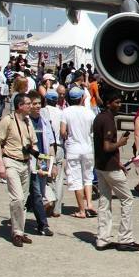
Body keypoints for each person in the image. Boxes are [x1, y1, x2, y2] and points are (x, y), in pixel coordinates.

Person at [93, 89, 139, 251]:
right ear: (108, 103)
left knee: (104, 201)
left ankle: (102, 238)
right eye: (117, 102)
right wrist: (120, 143)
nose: (119, 105)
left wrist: (118, 161)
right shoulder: (108, 121)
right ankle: (125, 238)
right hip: (109, 169)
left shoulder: (99, 118)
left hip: (101, 166)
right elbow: (107, 146)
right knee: (127, 199)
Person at [0, 93, 39, 246]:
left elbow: (33, 143)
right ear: (20, 106)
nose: (31, 106)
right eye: (28, 104)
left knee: (23, 200)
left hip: (25, 163)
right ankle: (16, 232)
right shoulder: (7, 120)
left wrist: (37, 156)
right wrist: (0, 164)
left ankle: (19, 231)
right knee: (17, 198)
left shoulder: (28, 122)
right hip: (11, 161)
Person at [60, 87, 96, 218]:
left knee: (76, 179)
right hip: (87, 148)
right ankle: (89, 204)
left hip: (73, 148)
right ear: (81, 98)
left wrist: (68, 134)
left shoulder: (66, 112)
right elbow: (93, 130)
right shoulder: (89, 112)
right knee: (88, 178)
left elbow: (62, 132)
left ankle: (81, 209)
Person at [25, 93, 56, 236]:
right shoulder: (25, 122)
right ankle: (43, 225)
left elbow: (50, 144)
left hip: (42, 160)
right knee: (37, 193)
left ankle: (29, 207)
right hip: (29, 162)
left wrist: (52, 164)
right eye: (34, 103)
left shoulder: (44, 121)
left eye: (39, 103)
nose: (37, 106)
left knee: (40, 192)